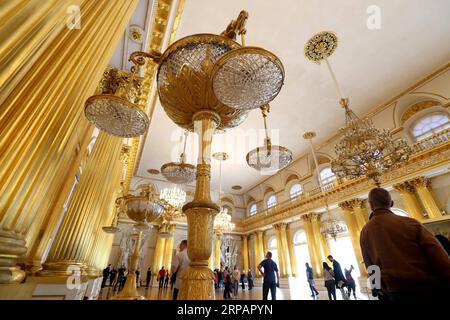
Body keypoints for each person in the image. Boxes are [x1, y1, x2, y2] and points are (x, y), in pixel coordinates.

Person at [360, 187, 450, 300]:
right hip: (426, 287)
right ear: (391, 203)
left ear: (371, 205)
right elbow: (438, 255)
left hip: (395, 292)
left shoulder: (365, 231)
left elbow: (370, 265)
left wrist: (376, 289)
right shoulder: (411, 223)